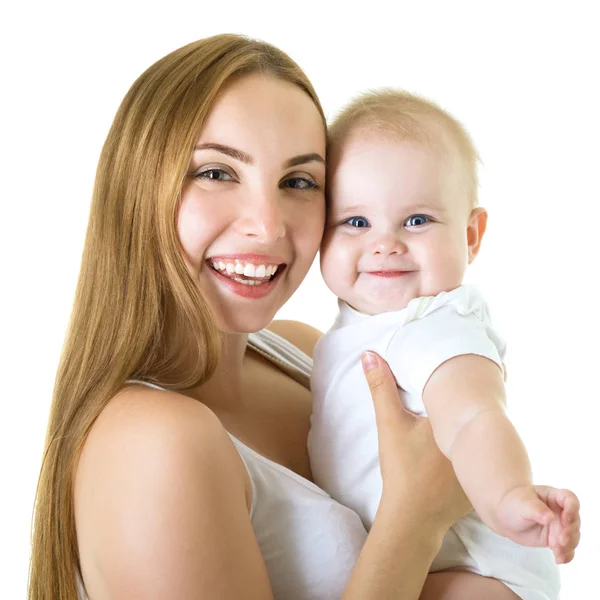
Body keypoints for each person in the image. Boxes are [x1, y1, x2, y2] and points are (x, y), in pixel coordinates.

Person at [28, 35, 483, 600]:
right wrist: (415, 518)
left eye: (298, 182)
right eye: (217, 173)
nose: (268, 226)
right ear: (137, 187)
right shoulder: (155, 444)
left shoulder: (304, 353)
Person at [308, 89, 581, 600]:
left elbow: (475, 415)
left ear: (472, 235)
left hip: (477, 570)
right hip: (425, 563)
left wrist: (507, 497)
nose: (384, 243)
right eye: (355, 222)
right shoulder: (350, 333)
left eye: (417, 220)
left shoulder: (434, 323)